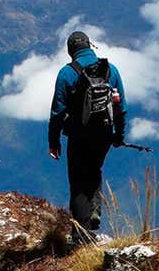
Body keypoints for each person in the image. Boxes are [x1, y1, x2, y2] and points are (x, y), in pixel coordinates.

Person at [48, 31, 128, 238]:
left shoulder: (66, 73)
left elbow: (57, 112)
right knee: (94, 170)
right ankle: (94, 213)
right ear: (90, 46)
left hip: (78, 135)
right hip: (104, 134)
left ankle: (80, 234)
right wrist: (119, 135)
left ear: (70, 51)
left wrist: (54, 141)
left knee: (78, 180)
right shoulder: (111, 70)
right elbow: (122, 108)